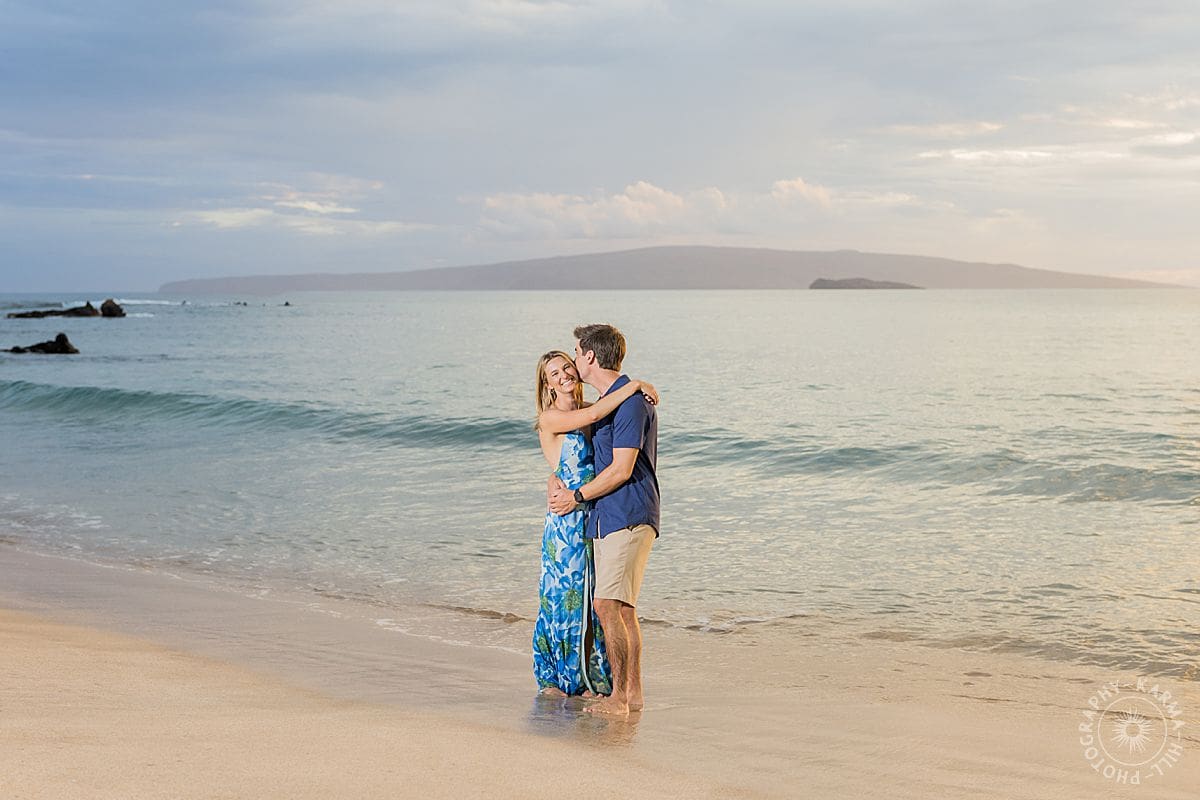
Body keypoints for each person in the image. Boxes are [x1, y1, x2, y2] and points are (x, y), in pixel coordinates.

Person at [532, 350, 658, 697]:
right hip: (567, 518)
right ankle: (561, 679)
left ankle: (593, 678)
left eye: (566, 367)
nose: (562, 375)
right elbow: (598, 412)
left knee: (595, 598)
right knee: (566, 596)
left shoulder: (594, 408)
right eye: (553, 373)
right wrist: (634, 384)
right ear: (546, 383)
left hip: (597, 512)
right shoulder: (551, 417)